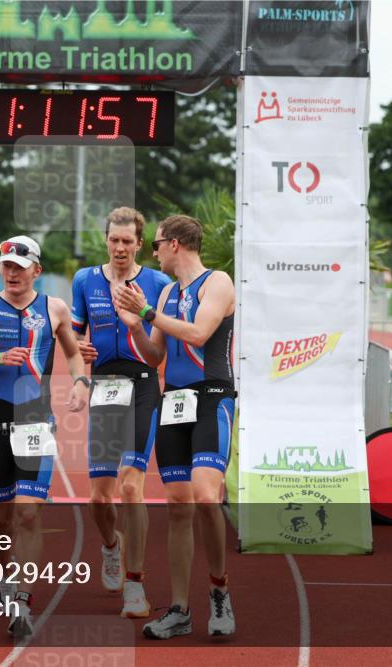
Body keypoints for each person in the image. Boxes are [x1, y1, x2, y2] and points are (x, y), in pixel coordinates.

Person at [113, 214, 237, 639]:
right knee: (178, 507)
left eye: (157, 244)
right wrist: (136, 328)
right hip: (174, 402)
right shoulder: (166, 293)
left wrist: (145, 311)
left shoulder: (217, 282)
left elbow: (200, 334)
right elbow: (154, 356)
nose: (154, 252)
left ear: (176, 244)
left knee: (206, 497)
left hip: (212, 397)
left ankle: (219, 591)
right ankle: (181, 609)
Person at [0, 235, 88, 638]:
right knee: (0, 517)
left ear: (37, 270)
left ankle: (23, 602)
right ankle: (5, 578)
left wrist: (81, 381)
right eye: (6, 266)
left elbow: (72, 351)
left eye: (20, 265)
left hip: (36, 423)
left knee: (28, 513)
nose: (12, 273)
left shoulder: (55, 308)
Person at [70, 207, 171, 618]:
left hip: (144, 384)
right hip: (105, 384)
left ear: (139, 244)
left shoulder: (157, 282)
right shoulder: (85, 280)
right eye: (114, 240)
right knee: (98, 498)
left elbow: (163, 347)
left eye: (127, 241)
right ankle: (111, 546)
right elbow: (74, 337)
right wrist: (78, 351)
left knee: (132, 488)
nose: (120, 248)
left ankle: (135, 585)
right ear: (106, 240)